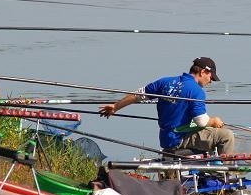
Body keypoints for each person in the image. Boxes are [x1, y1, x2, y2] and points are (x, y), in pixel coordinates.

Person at [99, 57, 235, 155]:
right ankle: (225, 178)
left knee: (211, 132)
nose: (211, 81)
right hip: (180, 137)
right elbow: (201, 121)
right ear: (203, 72)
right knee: (226, 136)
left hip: (166, 137)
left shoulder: (165, 82)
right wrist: (214, 121)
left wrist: (116, 107)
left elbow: (137, 95)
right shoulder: (197, 91)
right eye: (211, 77)